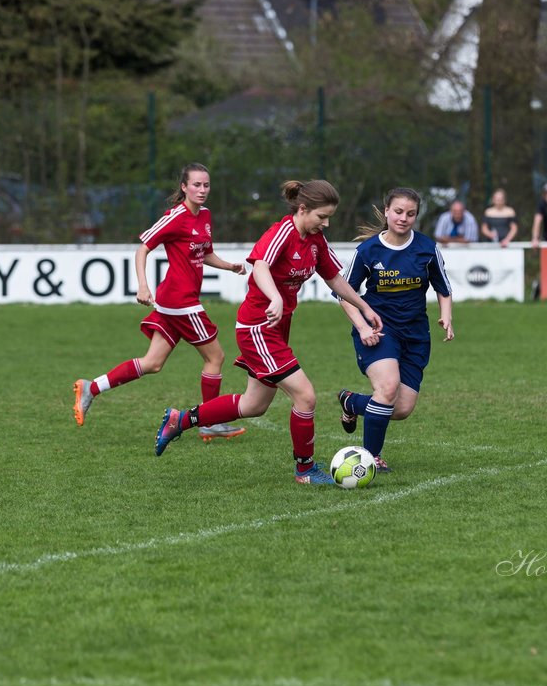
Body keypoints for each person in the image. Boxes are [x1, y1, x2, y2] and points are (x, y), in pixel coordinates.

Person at [153, 179, 383, 485]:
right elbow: (260, 265)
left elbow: (334, 279)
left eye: (329, 217)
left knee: (253, 405)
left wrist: (364, 307)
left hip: (277, 327)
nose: (325, 223)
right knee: (305, 396)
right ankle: (305, 469)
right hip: (257, 327)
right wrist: (275, 297)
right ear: (303, 209)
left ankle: (180, 419)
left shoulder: (315, 240)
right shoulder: (282, 232)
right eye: (321, 216)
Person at [73, 163, 248, 441]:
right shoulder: (175, 217)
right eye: (196, 185)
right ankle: (208, 421)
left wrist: (229, 266)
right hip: (181, 301)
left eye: (206, 185)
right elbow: (143, 248)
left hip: (175, 302)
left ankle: (91, 387)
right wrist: (143, 285)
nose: (202, 190)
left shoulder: (205, 216)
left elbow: (206, 253)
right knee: (216, 357)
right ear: (184, 187)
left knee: (153, 363)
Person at [336, 188, 453, 474]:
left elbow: (443, 287)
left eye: (410, 214)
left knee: (400, 409)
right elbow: (344, 294)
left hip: (415, 335)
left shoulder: (426, 248)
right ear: (386, 210)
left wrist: (446, 317)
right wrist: (362, 326)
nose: (404, 218)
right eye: (398, 212)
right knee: (387, 389)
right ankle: (370, 457)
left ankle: (351, 402)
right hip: (378, 331)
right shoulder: (368, 251)